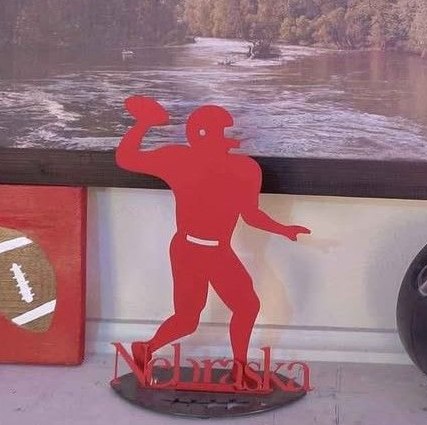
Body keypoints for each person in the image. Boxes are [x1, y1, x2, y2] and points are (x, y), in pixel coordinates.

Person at [115, 96, 310, 380]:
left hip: (219, 252)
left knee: (247, 306)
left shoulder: (245, 169)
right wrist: (142, 124)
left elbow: (251, 215)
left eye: (225, 131)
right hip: (188, 250)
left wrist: (284, 230)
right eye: (219, 131)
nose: (226, 137)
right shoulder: (178, 159)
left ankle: (239, 368)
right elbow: (127, 159)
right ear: (201, 134)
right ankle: (146, 348)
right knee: (187, 319)